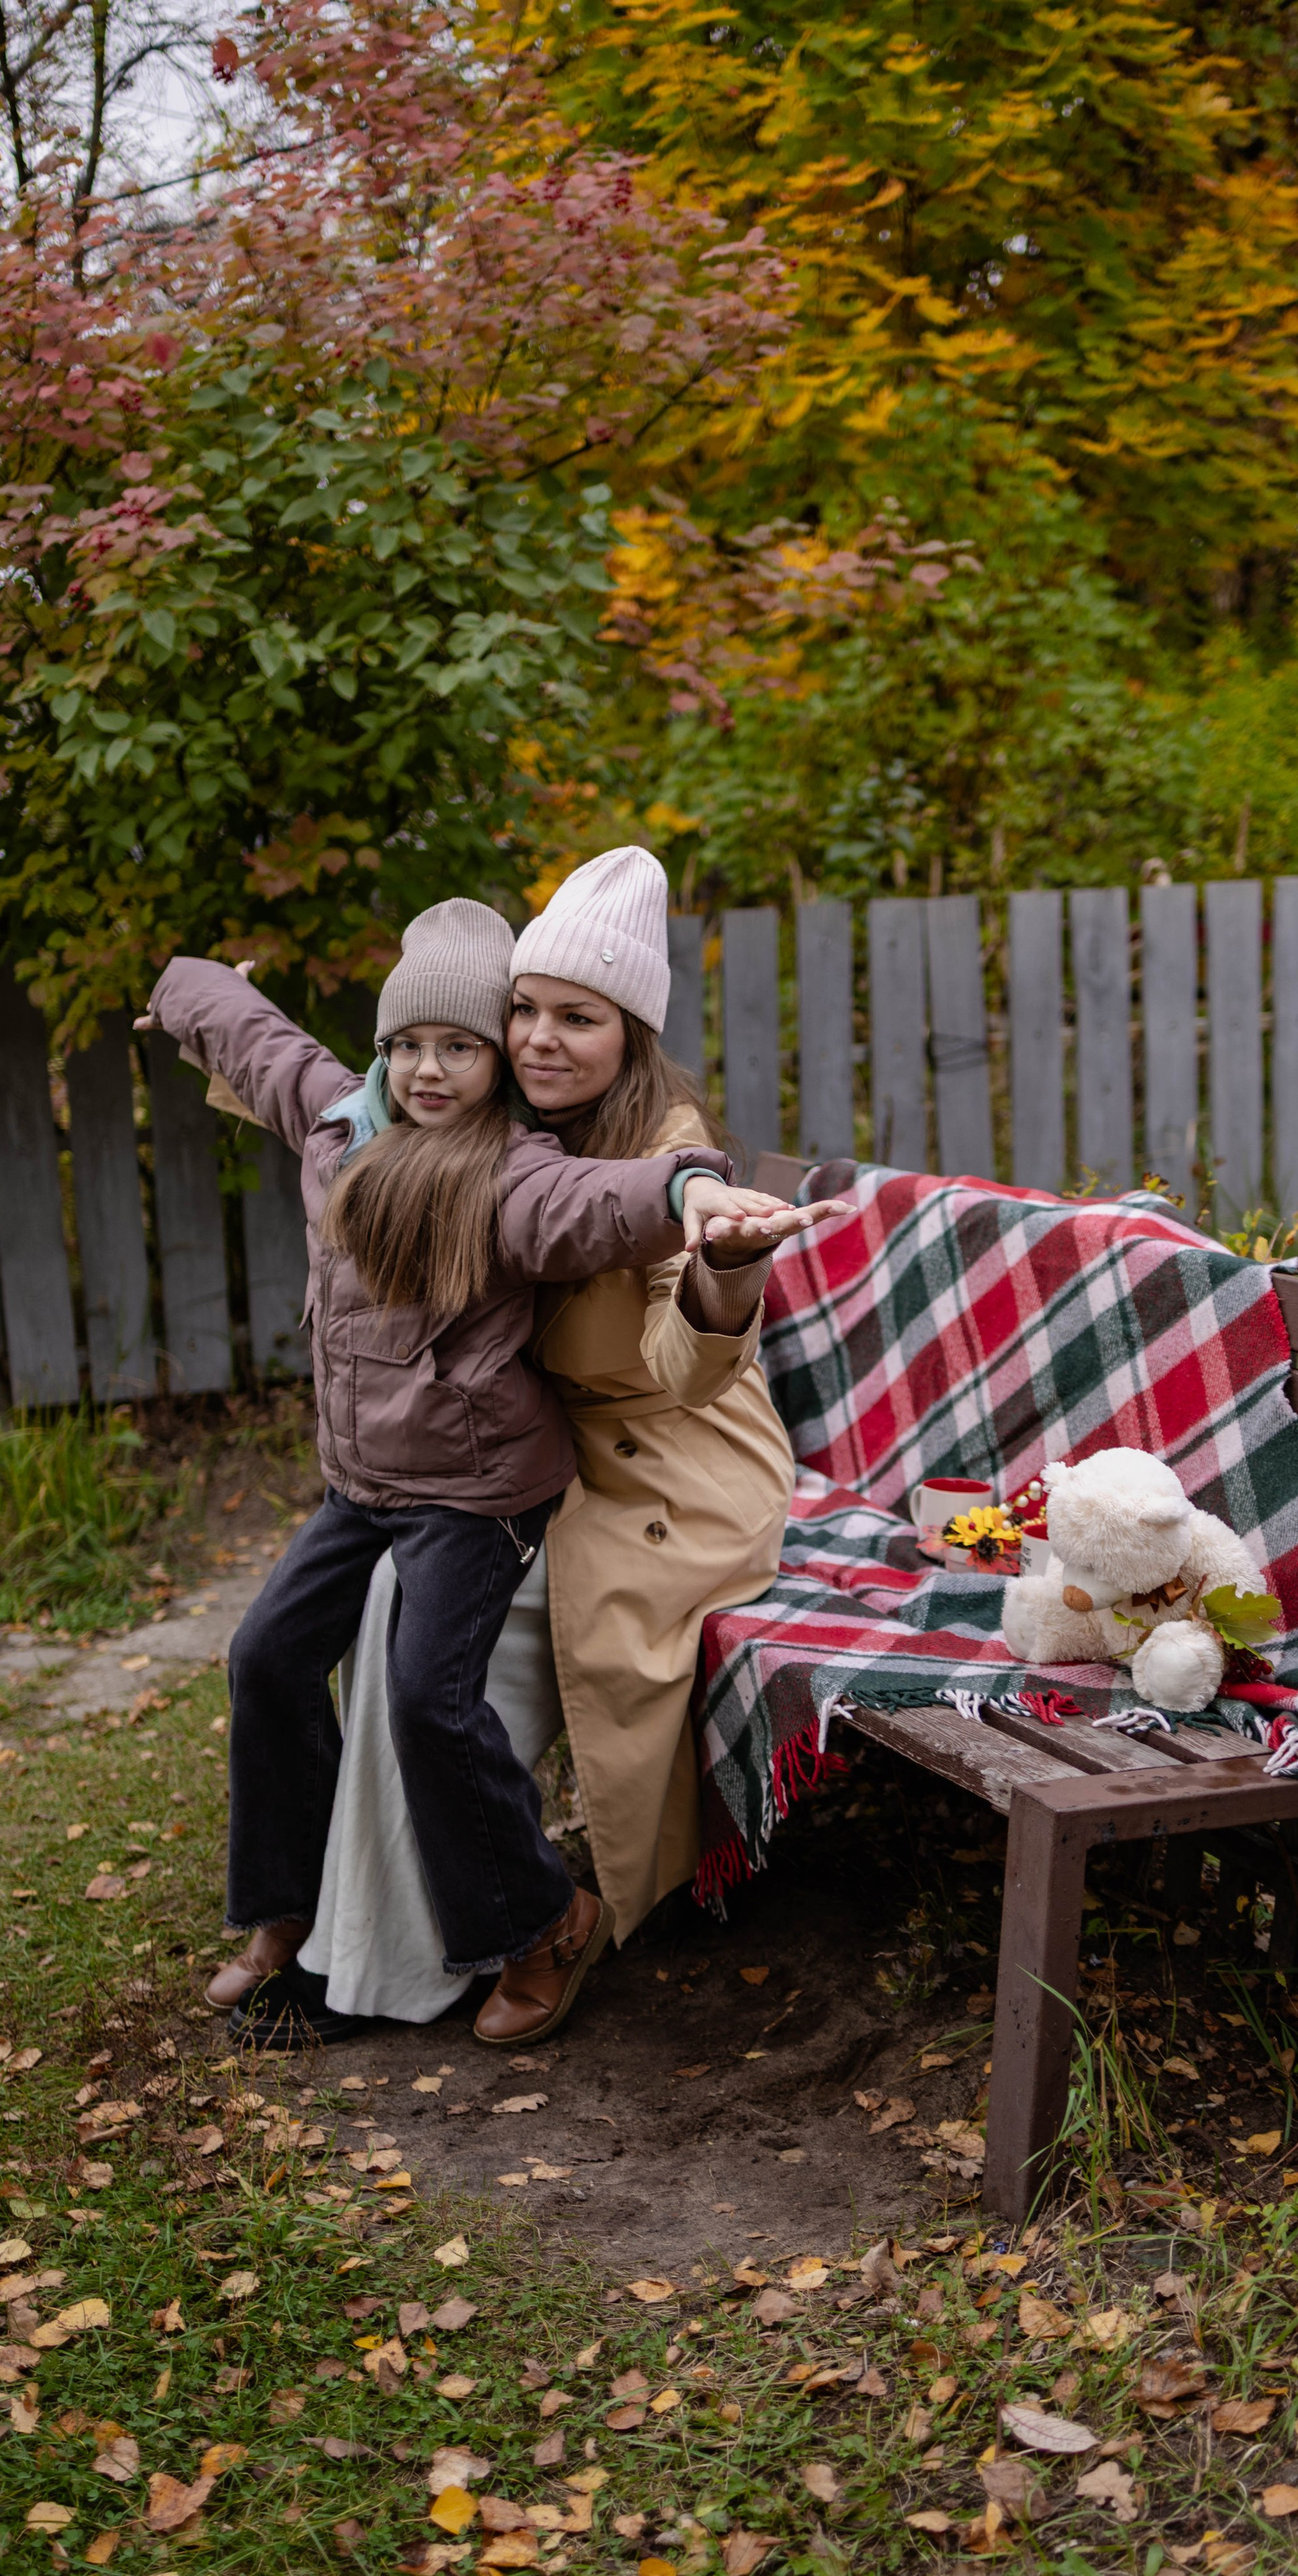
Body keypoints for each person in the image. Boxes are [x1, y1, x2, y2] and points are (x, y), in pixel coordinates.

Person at [143, 895, 794, 2037]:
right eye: (409, 1045)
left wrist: (695, 1193)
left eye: (465, 1045)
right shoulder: (344, 1120)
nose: (432, 1068)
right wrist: (185, 981)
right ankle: (287, 1911)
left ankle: (544, 1918)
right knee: (267, 1659)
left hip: (492, 1492)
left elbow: (607, 1202)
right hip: (366, 1482)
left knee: (424, 1698)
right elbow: (261, 1042)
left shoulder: (513, 1170)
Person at [296, 846, 833, 2047]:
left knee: (443, 1645)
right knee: (390, 1599)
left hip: (663, 1470)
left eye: (577, 1019)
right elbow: (335, 1094)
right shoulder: (485, 1117)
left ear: (630, 1034)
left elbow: (686, 1368)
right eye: (525, 1011)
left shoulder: (664, 1149)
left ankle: (546, 1918)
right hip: (523, 1463)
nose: (541, 1038)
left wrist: (726, 1270)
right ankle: (378, 1955)